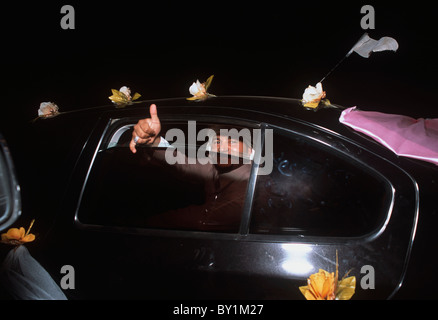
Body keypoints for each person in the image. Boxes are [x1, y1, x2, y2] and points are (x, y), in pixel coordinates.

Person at [129, 104, 253, 232]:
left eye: (231, 141)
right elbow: (183, 164)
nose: (221, 148)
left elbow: (207, 220)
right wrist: (153, 141)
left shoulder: (253, 181)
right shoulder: (215, 166)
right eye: (217, 142)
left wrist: (146, 224)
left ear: (250, 151)